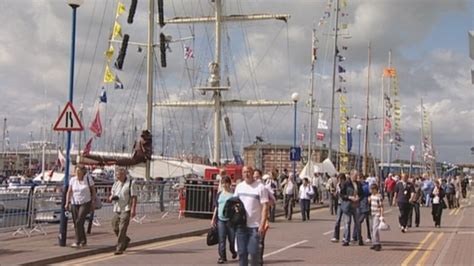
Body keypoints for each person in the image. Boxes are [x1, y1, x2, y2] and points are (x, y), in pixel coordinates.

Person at [234, 166, 269, 266]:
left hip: (255, 226)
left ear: (252, 173)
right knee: (242, 253)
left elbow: (265, 206)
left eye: (248, 172)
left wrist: (262, 224)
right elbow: (234, 203)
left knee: (253, 252)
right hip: (241, 226)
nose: (247, 174)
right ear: (242, 174)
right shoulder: (239, 187)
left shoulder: (260, 187)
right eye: (244, 172)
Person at [65, 166, 96, 248]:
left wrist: (93, 202)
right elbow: (69, 191)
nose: (77, 173)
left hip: (85, 202)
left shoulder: (88, 179)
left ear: (83, 172)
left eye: (79, 171)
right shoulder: (73, 180)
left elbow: (93, 190)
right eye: (76, 171)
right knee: (77, 223)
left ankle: (77, 241)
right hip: (74, 202)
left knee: (79, 221)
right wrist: (67, 202)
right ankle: (83, 241)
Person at [109, 166, 137, 255]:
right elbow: (112, 193)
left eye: (119, 175)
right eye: (116, 175)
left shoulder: (131, 183)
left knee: (122, 228)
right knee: (114, 225)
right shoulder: (116, 184)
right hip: (117, 208)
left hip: (126, 208)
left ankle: (119, 247)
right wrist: (111, 197)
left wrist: (133, 209)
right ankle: (125, 239)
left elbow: (134, 197)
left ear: (124, 174)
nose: (117, 177)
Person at [211, 176, 237, 264]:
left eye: (226, 183)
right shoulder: (219, 194)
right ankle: (222, 257)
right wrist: (213, 219)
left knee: (232, 240)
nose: (225, 185)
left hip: (230, 220)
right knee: (221, 239)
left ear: (230, 183)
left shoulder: (233, 195)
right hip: (220, 220)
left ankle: (233, 251)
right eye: (223, 183)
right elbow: (216, 207)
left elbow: (236, 208)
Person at [340, 170, 363, 246]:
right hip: (348, 206)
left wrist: (358, 197)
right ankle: (346, 239)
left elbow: (362, 194)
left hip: (356, 205)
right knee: (347, 222)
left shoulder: (358, 184)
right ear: (351, 175)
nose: (356, 177)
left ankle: (359, 239)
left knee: (357, 223)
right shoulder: (346, 184)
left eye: (357, 176)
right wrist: (349, 197)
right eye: (355, 176)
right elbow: (342, 195)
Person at [355, 174, 371, 243]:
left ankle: (369, 236)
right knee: (358, 221)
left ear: (362, 178)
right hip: (358, 205)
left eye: (358, 178)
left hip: (365, 204)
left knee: (366, 221)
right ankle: (357, 237)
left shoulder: (365, 185)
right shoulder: (357, 185)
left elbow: (367, 192)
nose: (357, 180)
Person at [331, 173, 347, 242]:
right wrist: (334, 193)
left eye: (341, 179)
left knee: (345, 222)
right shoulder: (338, 185)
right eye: (339, 179)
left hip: (345, 204)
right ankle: (336, 236)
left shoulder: (346, 185)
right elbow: (337, 194)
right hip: (340, 204)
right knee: (337, 220)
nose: (340, 181)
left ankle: (345, 236)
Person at [368, 183, 384, 251]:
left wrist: (381, 215)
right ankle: (374, 243)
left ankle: (377, 243)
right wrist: (369, 201)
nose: (370, 190)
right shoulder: (371, 196)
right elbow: (370, 204)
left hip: (377, 214)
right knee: (372, 229)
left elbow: (381, 206)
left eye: (372, 189)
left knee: (375, 229)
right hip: (372, 213)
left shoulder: (379, 196)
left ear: (375, 189)